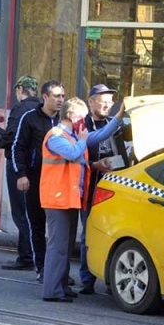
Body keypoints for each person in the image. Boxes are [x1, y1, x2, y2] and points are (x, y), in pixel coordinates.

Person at [0, 75, 42, 270]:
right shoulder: (40, 108)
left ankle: (27, 257)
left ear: (20, 89)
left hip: (18, 167)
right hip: (35, 166)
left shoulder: (20, 109)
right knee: (32, 213)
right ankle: (34, 256)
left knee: (21, 213)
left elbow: (10, 139)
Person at [11, 80, 65, 283]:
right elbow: (18, 147)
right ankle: (42, 268)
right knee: (37, 225)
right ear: (44, 97)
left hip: (58, 182)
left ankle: (59, 271)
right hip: (34, 179)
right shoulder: (30, 118)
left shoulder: (64, 119)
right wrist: (21, 174)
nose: (60, 100)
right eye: (56, 96)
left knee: (59, 228)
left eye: (62, 96)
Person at [39, 97, 91, 302]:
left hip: (69, 198)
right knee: (58, 247)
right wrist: (84, 140)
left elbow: (78, 160)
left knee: (66, 246)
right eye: (82, 118)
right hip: (57, 199)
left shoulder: (71, 137)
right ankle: (52, 291)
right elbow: (71, 155)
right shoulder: (56, 135)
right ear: (72, 116)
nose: (84, 122)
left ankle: (61, 286)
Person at [78, 84, 125, 295]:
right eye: (103, 101)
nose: (107, 105)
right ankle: (86, 280)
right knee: (88, 235)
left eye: (110, 102)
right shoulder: (81, 125)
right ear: (91, 102)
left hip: (112, 193)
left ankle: (109, 282)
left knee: (112, 235)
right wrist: (97, 165)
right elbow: (79, 155)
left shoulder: (113, 126)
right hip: (89, 191)